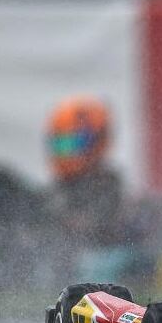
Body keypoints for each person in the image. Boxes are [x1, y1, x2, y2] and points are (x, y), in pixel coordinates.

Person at [44, 95, 127, 247]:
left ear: (98, 141)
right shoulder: (59, 188)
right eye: (62, 145)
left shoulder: (107, 185)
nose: (67, 153)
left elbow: (96, 225)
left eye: (76, 144)